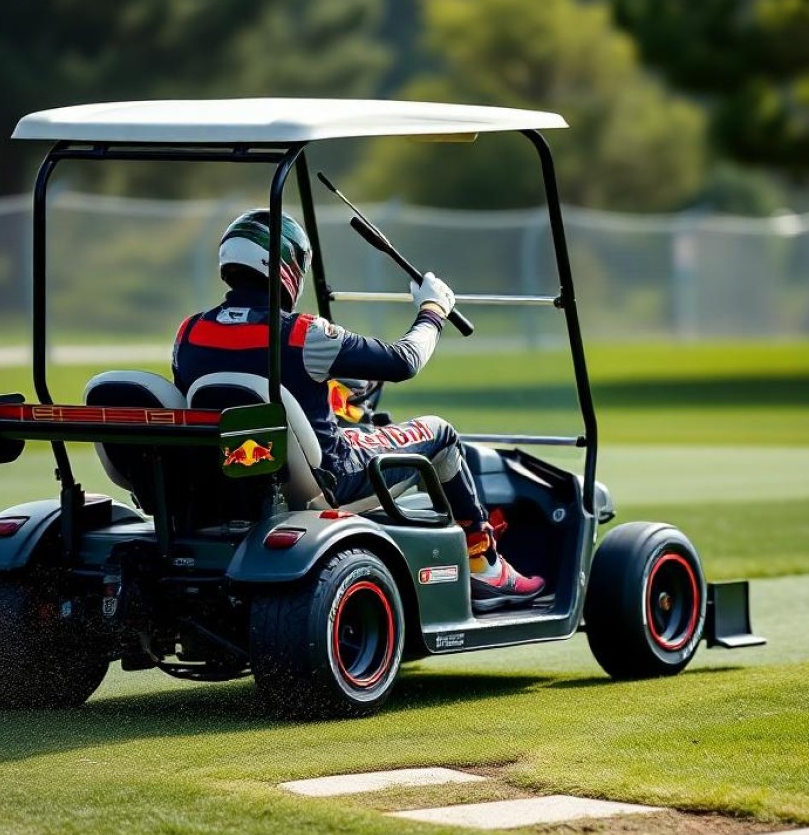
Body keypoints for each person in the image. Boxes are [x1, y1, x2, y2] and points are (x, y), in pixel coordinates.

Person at [172, 208, 545, 612]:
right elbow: (404, 361)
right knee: (441, 433)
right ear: (284, 264)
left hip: (231, 476)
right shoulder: (305, 334)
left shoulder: (189, 333)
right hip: (326, 478)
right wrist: (433, 310)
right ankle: (483, 562)